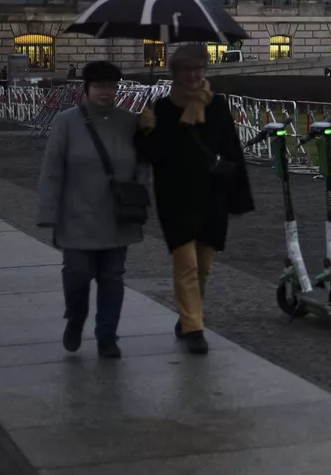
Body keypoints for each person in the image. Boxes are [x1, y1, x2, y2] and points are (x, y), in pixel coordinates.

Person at [137, 43, 252, 356]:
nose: (193, 75)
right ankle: (193, 327)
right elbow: (153, 156)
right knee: (185, 264)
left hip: (211, 196)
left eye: (199, 69)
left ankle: (189, 314)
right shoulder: (161, 109)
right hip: (175, 196)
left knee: (203, 267)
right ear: (175, 74)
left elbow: (232, 152)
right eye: (187, 70)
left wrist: (239, 197)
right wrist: (145, 132)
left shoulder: (216, 106)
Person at [36, 60, 146, 359]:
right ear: (86, 88)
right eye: (99, 85)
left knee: (112, 278)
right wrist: (48, 212)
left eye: (110, 86)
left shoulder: (130, 122)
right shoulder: (66, 122)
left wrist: (153, 131)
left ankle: (107, 336)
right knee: (76, 274)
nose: (105, 92)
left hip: (117, 217)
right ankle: (75, 319)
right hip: (76, 216)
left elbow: (144, 164)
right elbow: (51, 170)